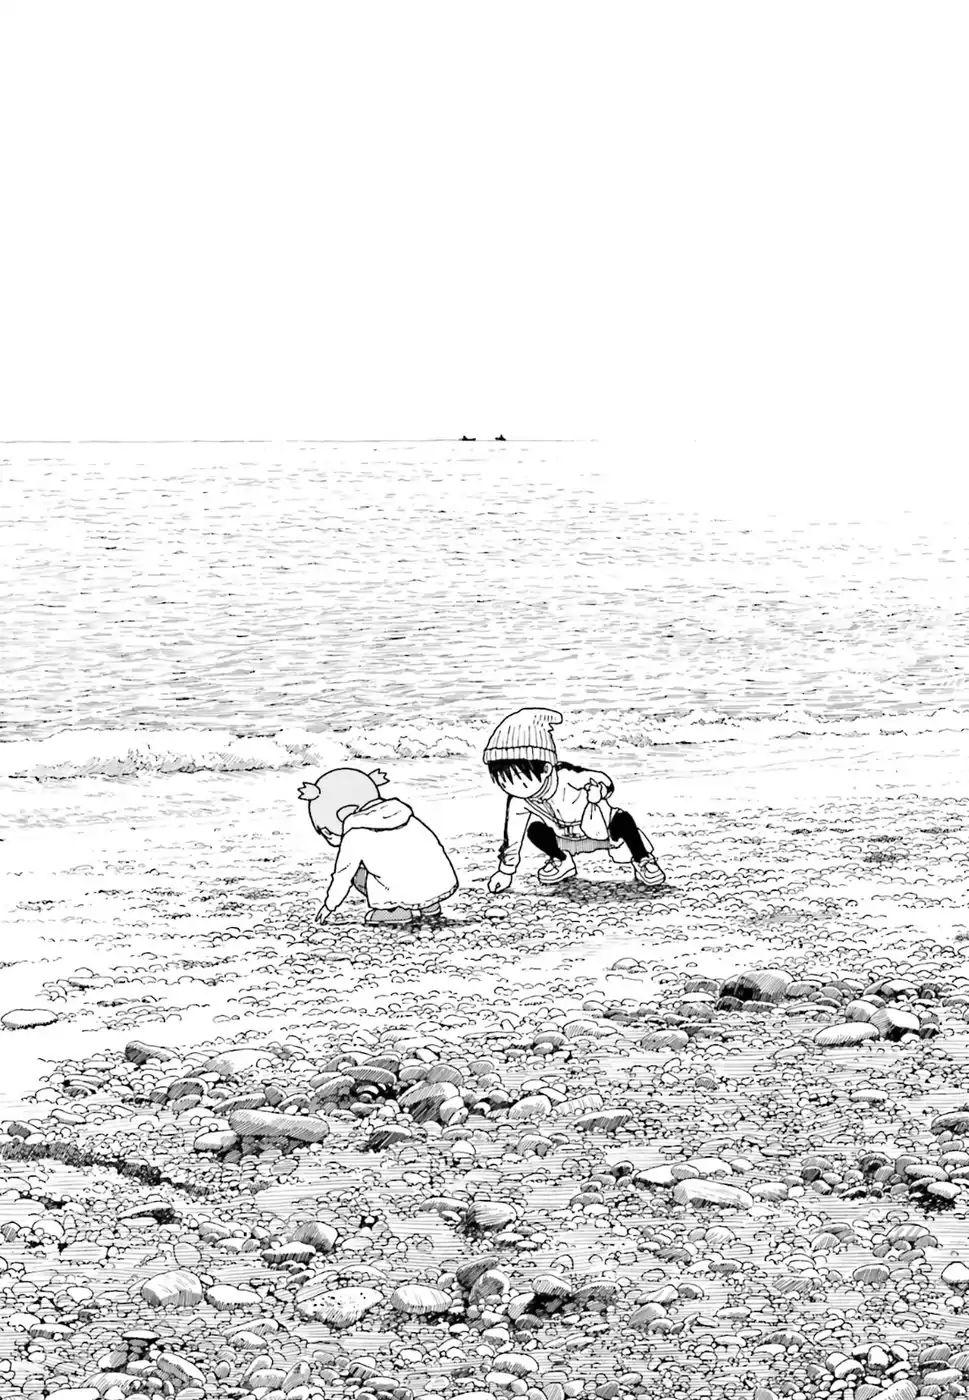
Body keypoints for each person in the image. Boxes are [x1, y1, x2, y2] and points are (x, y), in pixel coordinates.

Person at [483, 708, 665, 892]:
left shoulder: (568, 777)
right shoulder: (519, 800)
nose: (511, 788)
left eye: (517, 779)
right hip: (565, 839)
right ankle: (562, 860)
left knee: (623, 819)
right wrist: (505, 871)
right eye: (503, 783)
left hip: (602, 831)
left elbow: (605, 781)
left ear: (546, 769)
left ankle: (643, 860)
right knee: (534, 831)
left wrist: (599, 792)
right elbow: (513, 837)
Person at [298, 767, 458, 927]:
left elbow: (343, 875)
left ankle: (395, 911)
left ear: (343, 813)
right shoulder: (404, 816)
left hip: (406, 890)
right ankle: (430, 907)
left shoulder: (355, 835)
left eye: (327, 831)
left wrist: (329, 906)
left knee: (358, 874)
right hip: (440, 886)